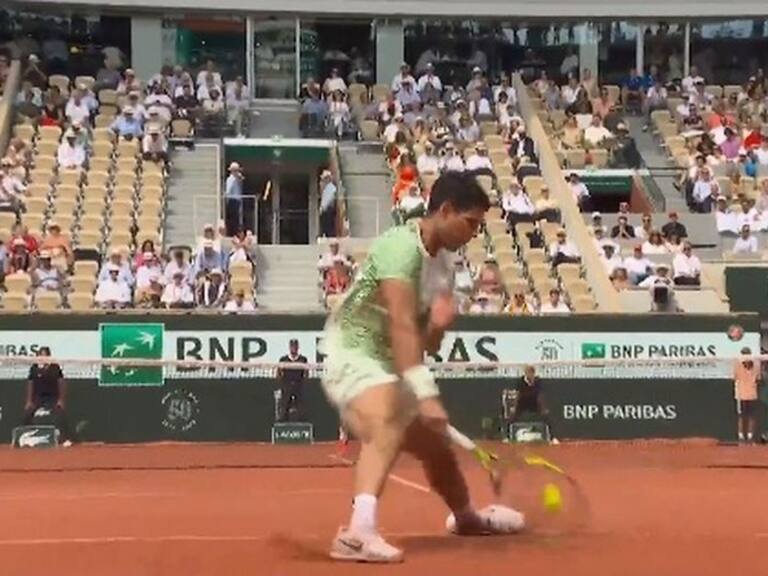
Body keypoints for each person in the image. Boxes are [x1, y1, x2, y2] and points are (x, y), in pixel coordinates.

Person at [321, 173, 521, 563]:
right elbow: (399, 325)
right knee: (389, 417)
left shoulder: (444, 268)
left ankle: (466, 516)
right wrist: (426, 394)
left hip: (390, 363)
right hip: (352, 351)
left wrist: (438, 327)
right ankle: (357, 533)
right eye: (471, 223)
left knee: (437, 449)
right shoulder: (401, 246)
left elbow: (422, 341)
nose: (474, 233)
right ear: (445, 210)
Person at [23, 347, 71, 446]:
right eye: (40, 355)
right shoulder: (34, 368)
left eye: (44, 355)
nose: (42, 357)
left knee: (60, 414)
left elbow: (61, 383)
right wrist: (29, 401)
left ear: (48, 356)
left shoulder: (55, 367)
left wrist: (61, 400)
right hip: (38, 397)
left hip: (53, 397)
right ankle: (27, 437)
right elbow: (30, 383)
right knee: (27, 413)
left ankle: (64, 439)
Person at [505, 365, 557, 443]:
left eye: (531, 373)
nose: (530, 375)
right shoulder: (520, 381)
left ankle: (553, 438)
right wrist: (514, 408)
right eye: (528, 373)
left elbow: (540, 395)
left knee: (547, 417)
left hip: (534, 403)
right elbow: (518, 395)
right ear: (526, 373)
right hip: (522, 403)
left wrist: (543, 408)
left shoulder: (538, 381)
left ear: (533, 373)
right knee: (512, 418)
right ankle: (507, 437)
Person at [277, 339, 309, 422]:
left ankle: (302, 422)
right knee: (284, 404)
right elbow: (279, 372)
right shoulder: (283, 359)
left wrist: (303, 382)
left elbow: (306, 372)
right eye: (292, 346)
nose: (294, 348)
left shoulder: (303, 359)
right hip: (287, 385)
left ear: (298, 347)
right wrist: (282, 383)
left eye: (295, 346)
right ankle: (282, 421)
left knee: (300, 404)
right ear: (289, 347)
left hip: (299, 385)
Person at [734, 347, 761, 443]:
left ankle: (750, 436)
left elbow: (758, 378)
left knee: (751, 416)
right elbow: (735, 377)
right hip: (741, 395)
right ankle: (741, 436)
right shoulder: (737, 364)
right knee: (742, 416)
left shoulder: (756, 365)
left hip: (751, 395)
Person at [225, 162, 245, 235]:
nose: (238, 172)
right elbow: (228, 191)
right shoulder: (231, 179)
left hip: (236, 201)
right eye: (236, 170)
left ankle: (236, 232)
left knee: (236, 219)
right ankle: (232, 233)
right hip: (233, 200)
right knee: (233, 219)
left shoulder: (236, 179)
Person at [319, 169, 337, 238]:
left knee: (329, 226)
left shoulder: (331, 188)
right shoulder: (326, 189)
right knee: (326, 226)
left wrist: (323, 208)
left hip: (328, 209)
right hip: (326, 209)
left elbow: (328, 200)